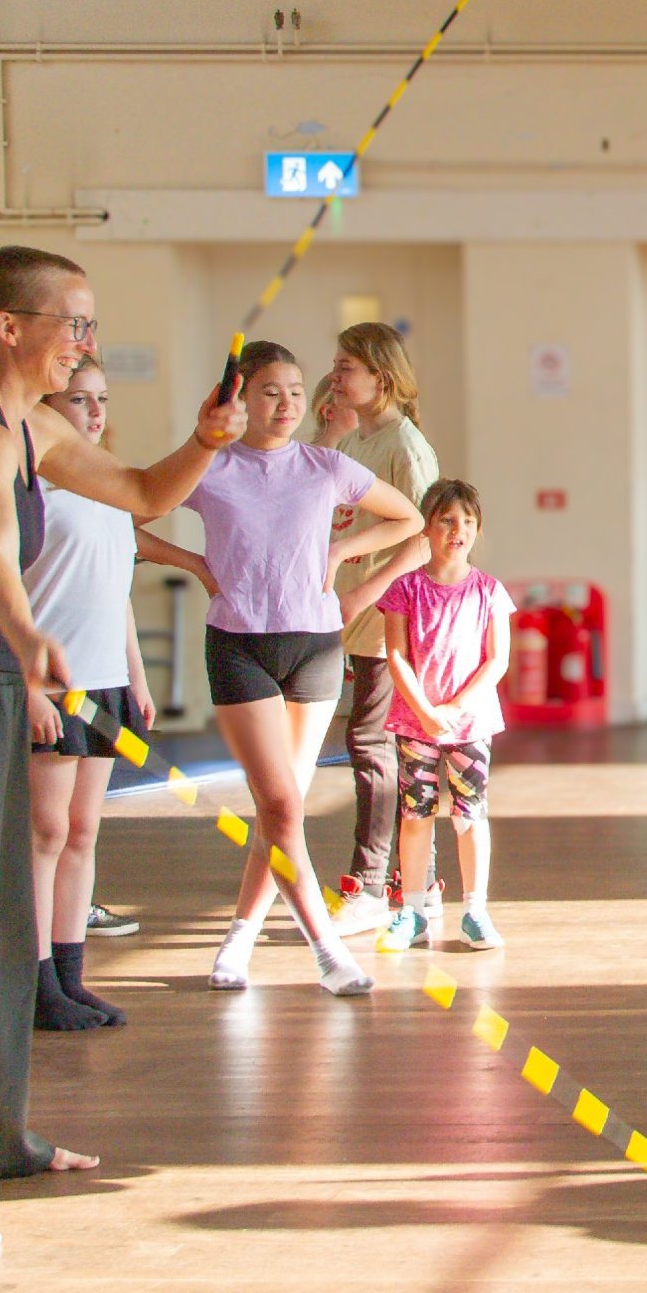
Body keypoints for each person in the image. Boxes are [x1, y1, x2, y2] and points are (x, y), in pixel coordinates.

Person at [0, 245, 241, 1254]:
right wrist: (30, 637)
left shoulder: (36, 429)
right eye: (72, 321)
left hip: (1, 687)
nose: (86, 338)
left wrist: (207, 439)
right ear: (11, 326)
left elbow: (140, 489)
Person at [155, 341, 421, 996]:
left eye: (296, 391)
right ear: (240, 401)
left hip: (315, 648)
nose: (287, 404)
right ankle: (326, 951)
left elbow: (409, 519)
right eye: (271, 391)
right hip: (240, 646)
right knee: (278, 804)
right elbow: (127, 514)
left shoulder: (325, 466)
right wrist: (191, 564)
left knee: (284, 811)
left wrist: (341, 551)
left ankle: (237, 941)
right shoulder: (211, 467)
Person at [22, 358, 154, 1031]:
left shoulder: (110, 489)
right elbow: (6, 594)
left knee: (82, 831)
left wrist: (136, 674)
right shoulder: (32, 488)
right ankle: (37, 981)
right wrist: (28, 685)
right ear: (47, 408)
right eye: (79, 399)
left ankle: (72, 977)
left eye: (101, 399)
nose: (96, 412)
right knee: (44, 833)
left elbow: (117, 590)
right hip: (52, 684)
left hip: (105, 680)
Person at [311, 323, 438, 934]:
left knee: (374, 743)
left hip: (390, 620)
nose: (336, 376)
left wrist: (363, 592)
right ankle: (412, 884)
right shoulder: (357, 441)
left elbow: (423, 539)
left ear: (380, 377)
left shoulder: (404, 445)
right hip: (353, 618)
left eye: (346, 366)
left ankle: (374, 885)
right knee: (375, 744)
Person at [373, 480, 514, 954]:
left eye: (468, 522)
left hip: (470, 724)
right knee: (415, 814)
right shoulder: (404, 589)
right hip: (416, 724)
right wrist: (426, 712)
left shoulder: (489, 591)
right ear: (428, 529)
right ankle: (412, 912)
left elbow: (497, 661)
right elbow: (396, 656)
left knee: (470, 816)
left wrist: (454, 709)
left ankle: (475, 911)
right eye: (447, 521)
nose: (458, 531)